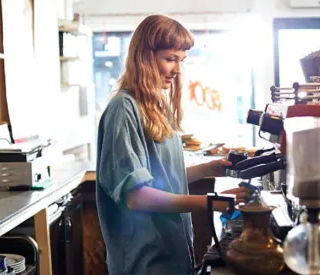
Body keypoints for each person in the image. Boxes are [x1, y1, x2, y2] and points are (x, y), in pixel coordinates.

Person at [96, 14, 252, 275]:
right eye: (170, 59)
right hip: (144, 261)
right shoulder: (123, 109)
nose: (177, 70)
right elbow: (137, 196)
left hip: (169, 255)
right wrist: (212, 202)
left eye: (181, 60)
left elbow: (162, 178)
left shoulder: (155, 107)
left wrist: (210, 168)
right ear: (144, 57)